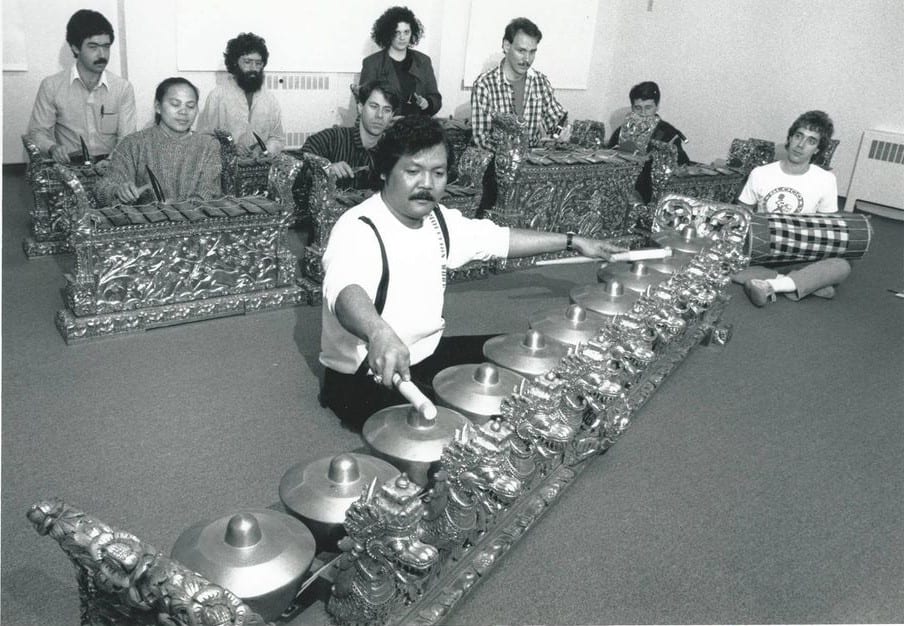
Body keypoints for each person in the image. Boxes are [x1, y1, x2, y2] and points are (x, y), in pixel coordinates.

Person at [318, 116, 624, 427]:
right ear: (385, 171)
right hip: (368, 376)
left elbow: (500, 239)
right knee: (477, 421)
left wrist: (573, 241)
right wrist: (379, 332)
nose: (426, 184)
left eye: (438, 173)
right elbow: (346, 292)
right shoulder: (357, 228)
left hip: (426, 355)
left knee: (523, 353)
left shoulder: (437, 220)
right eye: (413, 171)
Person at [734, 110, 851, 307]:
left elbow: (828, 228)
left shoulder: (826, 179)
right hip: (762, 250)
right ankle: (797, 283)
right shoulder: (761, 173)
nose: (801, 145)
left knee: (843, 266)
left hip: (801, 254)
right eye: (798, 136)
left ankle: (772, 284)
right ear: (790, 137)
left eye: (811, 141)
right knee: (724, 262)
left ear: (817, 150)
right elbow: (741, 215)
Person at [27, 9, 136, 164]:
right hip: (71, 166)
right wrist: (53, 148)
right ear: (75, 48)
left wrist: (112, 162)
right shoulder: (51, 86)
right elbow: (37, 131)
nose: (102, 55)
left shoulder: (122, 88)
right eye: (93, 47)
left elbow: (127, 138)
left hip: (111, 164)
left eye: (106, 46)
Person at [96, 77, 222, 206]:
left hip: (193, 223)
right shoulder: (133, 143)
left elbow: (209, 194)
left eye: (190, 106)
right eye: (175, 104)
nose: (184, 112)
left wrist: (178, 207)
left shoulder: (208, 145)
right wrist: (118, 191)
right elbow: (104, 188)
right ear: (158, 107)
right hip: (144, 224)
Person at [470, 17, 568, 150]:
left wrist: (563, 131)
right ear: (506, 46)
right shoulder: (484, 85)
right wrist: (515, 153)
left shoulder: (540, 82)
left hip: (533, 162)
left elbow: (558, 120)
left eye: (532, 52)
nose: (527, 59)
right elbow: (482, 140)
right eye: (521, 51)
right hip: (499, 163)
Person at [301, 80, 399, 190]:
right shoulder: (331, 139)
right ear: (360, 108)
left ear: (392, 115)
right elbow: (295, 166)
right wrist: (324, 169)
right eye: (374, 106)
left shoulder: (393, 151)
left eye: (387, 110)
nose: (380, 115)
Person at [197, 32, 285, 154]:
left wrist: (264, 148)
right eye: (247, 62)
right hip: (227, 167)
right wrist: (230, 148)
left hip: (260, 166)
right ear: (235, 62)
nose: (253, 68)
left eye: (258, 63)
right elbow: (205, 139)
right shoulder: (217, 96)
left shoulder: (270, 100)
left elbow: (277, 138)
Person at [608, 81, 689, 203]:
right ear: (632, 108)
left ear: (657, 106)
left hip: (650, 189)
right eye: (638, 108)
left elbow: (681, 162)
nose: (643, 113)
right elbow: (608, 155)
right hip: (619, 185)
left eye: (648, 108)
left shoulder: (668, 132)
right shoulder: (622, 130)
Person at [360, 6, 441, 117]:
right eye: (397, 33)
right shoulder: (372, 63)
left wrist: (427, 103)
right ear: (387, 34)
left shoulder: (423, 61)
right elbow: (365, 103)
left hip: (418, 127)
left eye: (406, 32)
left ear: (412, 33)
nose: (402, 37)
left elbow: (436, 98)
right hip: (386, 129)